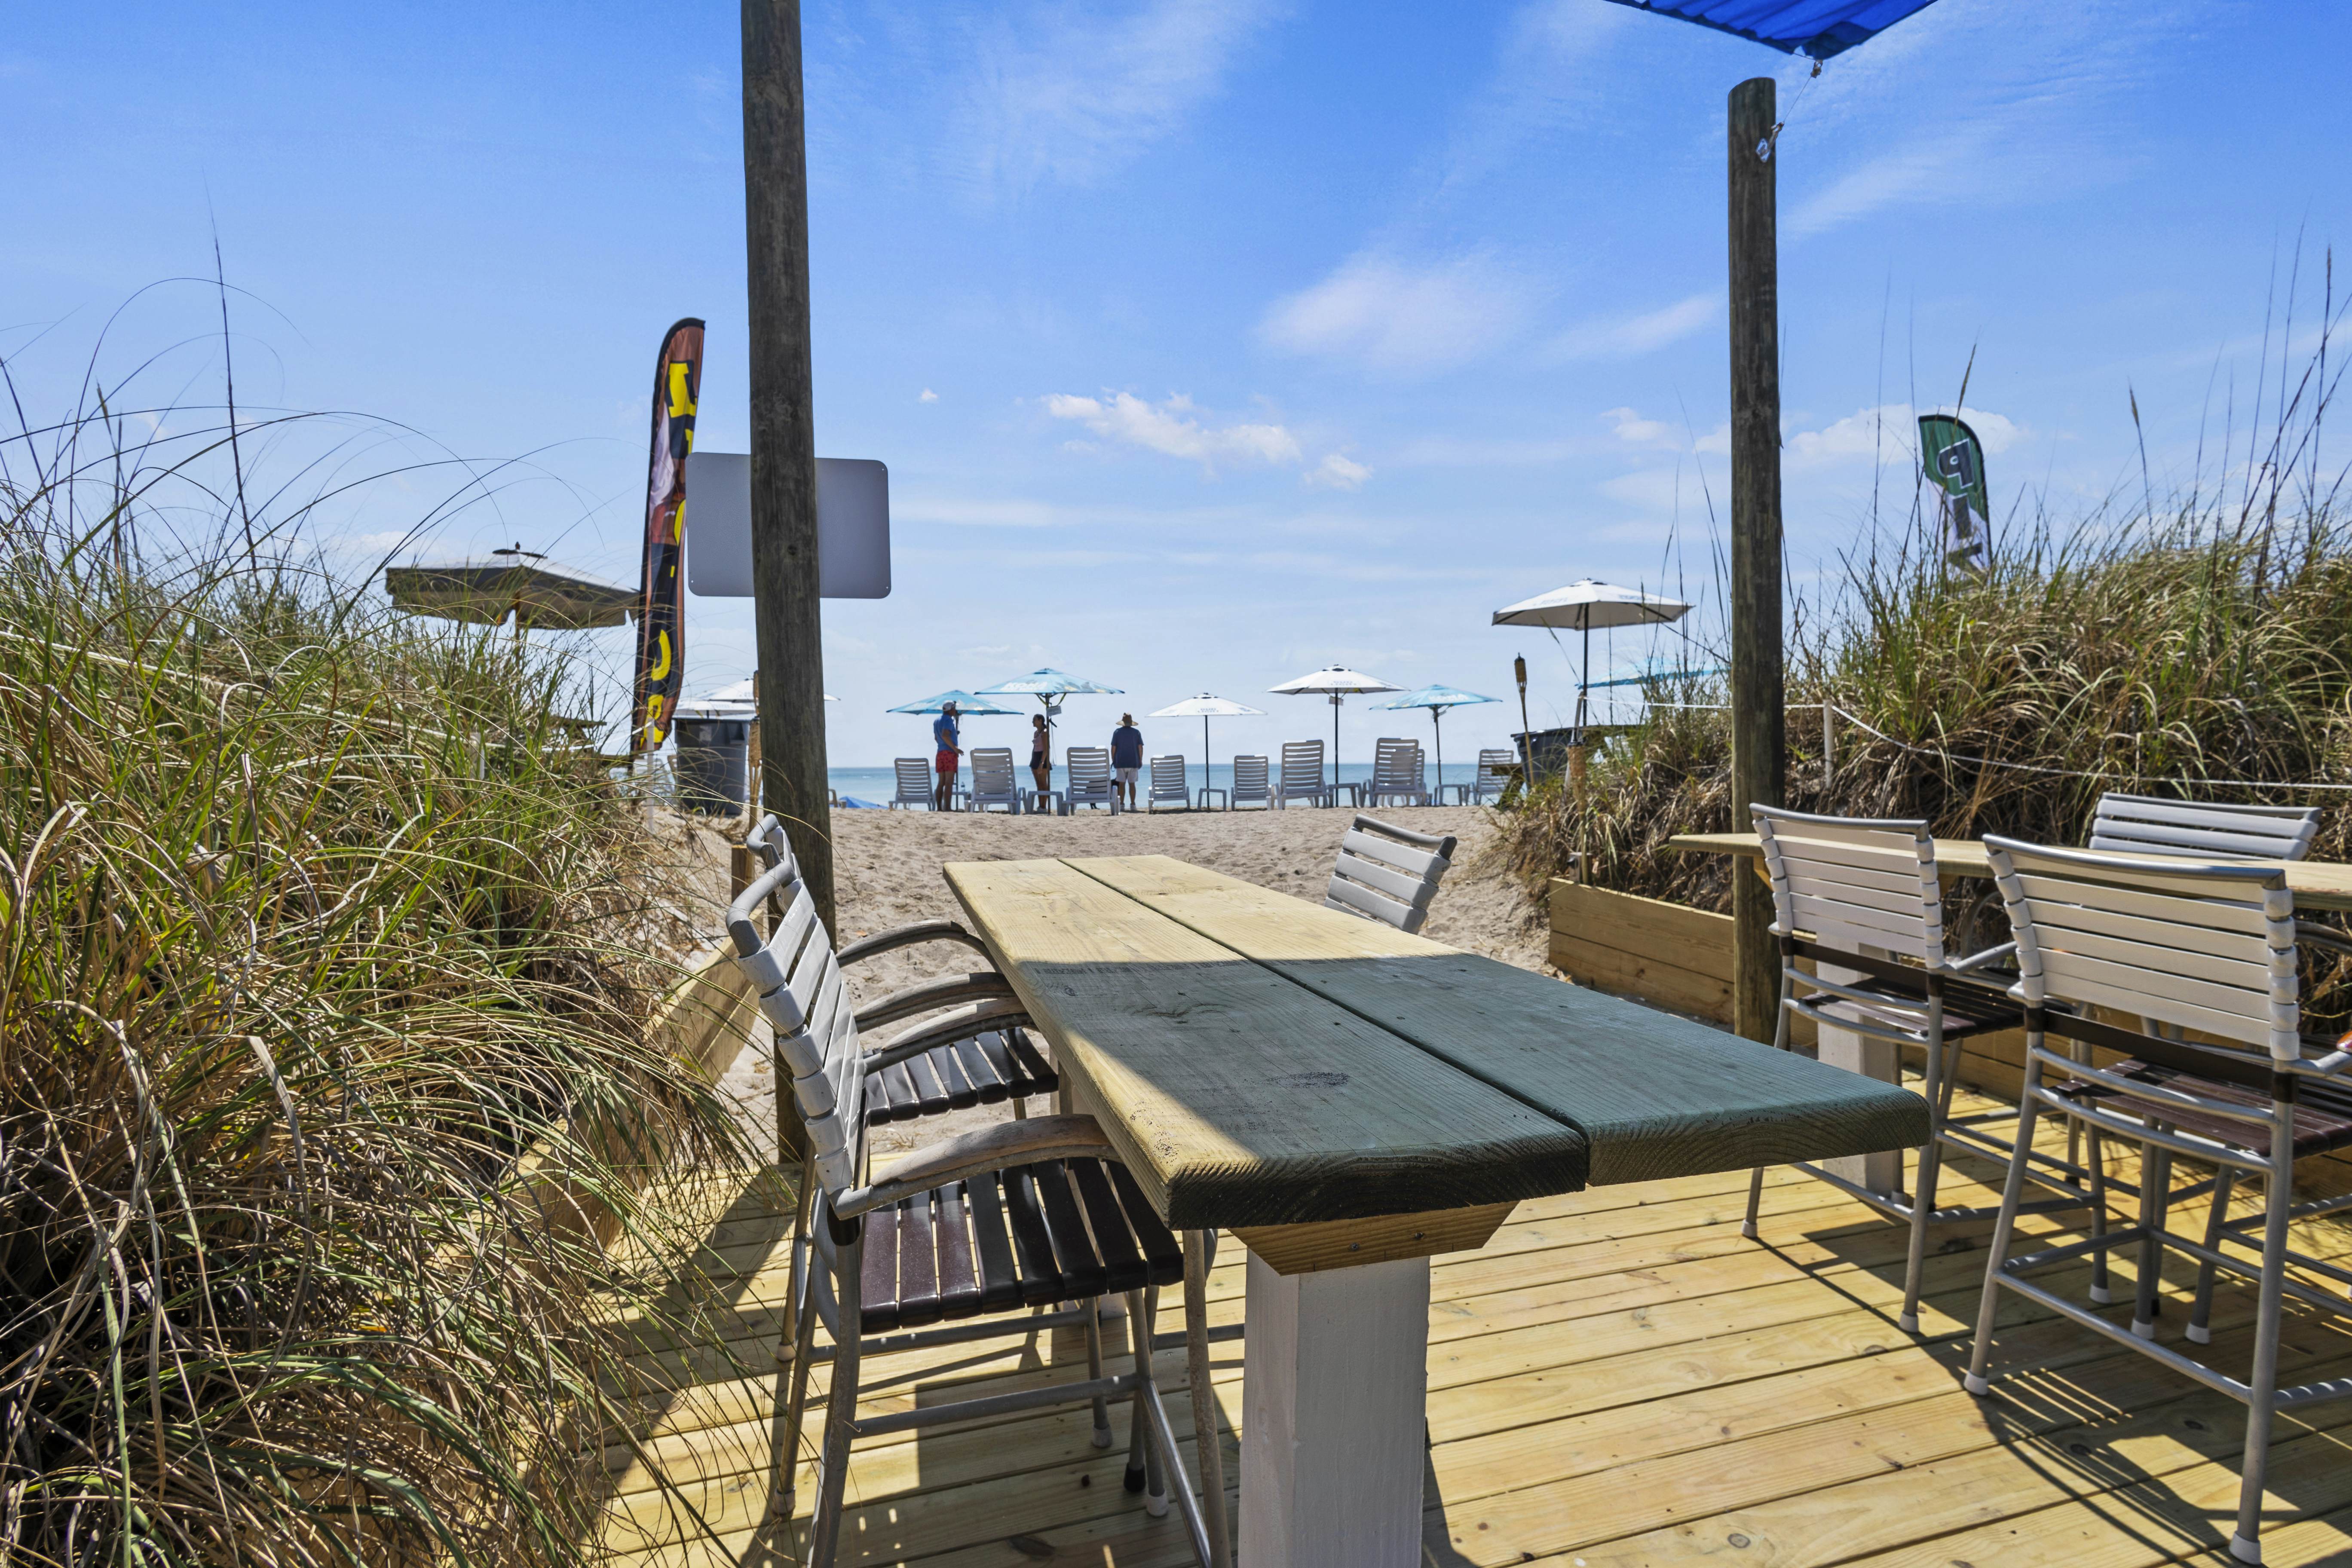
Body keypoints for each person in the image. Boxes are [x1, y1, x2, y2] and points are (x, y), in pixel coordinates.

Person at [1110, 712, 1144, 808]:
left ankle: (1122, 804)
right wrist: (1140, 760)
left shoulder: (1117, 732)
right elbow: (1140, 747)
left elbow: (1113, 748)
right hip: (1133, 762)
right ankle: (1133, 804)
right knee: (1132, 784)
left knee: (1122, 784)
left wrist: (1114, 759)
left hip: (1120, 762)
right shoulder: (1136, 733)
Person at [932, 701, 961, 810]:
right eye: (955, 709)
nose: (956, 711)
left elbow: (937, 738)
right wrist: (955, 749)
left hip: (940, 753)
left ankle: (939, 808)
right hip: (949, 753)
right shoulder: (949, 720)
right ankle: (948, 808)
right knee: (949, 782)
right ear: (951, 709)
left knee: (941, 782)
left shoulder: (937, 720)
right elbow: (945, 735)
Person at [1028, 713, 1052, 799]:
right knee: (1038, 784)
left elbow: (1046, 749)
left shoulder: (1045, 732)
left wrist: (1041, 764)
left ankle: (1044, 807)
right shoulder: (1036, 733)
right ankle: (1041, 806)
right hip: (1035, 758)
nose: (1033, 722)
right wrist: (1033, 761)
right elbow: (1034, 748)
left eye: (1034, 720)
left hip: (1042, 759)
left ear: (1040, 721)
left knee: (1043, 784)